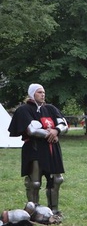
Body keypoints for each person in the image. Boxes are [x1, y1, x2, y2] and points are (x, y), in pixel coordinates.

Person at [8, 84, 68, 215]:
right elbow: (31, 130)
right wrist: (51, 134)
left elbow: (63, 124)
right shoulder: (24, 110)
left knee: (56, 180)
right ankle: (34, 211)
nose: (43, 94)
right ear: (32, 94)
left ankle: (54, 210)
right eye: (39, 92)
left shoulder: (51, 108)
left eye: (44, 92)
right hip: (34, 149)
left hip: (52, 148)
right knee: (34, 183)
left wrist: (56, 130)